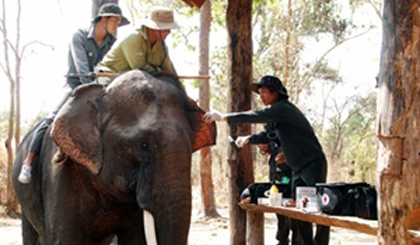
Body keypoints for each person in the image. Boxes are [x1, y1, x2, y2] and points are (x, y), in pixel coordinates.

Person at [204, 75, 330, 245]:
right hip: (297, 167)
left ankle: (321, 242)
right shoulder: (276, 116)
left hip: (311, 163)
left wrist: (225, 117)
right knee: (300, 208)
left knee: (318, 207)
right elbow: (268, 135)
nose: (261, 96)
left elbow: (256, 115)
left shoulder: (283, 109)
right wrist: (249, 138)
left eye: (264, 92)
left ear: (275, 93)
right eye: (260, 92)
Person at [18, 3, 129, 184]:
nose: (117, 25)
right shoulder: (79, 36)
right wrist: (94, 91)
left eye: (119, 22)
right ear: (103, 19)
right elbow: (82, 70)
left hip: (102, 89)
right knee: (51, 118)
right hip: (75, 86)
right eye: (115, 20)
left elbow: (114, 68)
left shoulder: (112, 43)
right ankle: (28, 162)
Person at [97, 6, 180, 80]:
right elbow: (140, 68)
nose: (169, 32)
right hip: (109, 76)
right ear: (154, 28)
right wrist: (161, 73)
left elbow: (170, 71)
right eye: (165, 29)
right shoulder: (133, 38)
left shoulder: (162, 47)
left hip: (132, 82)